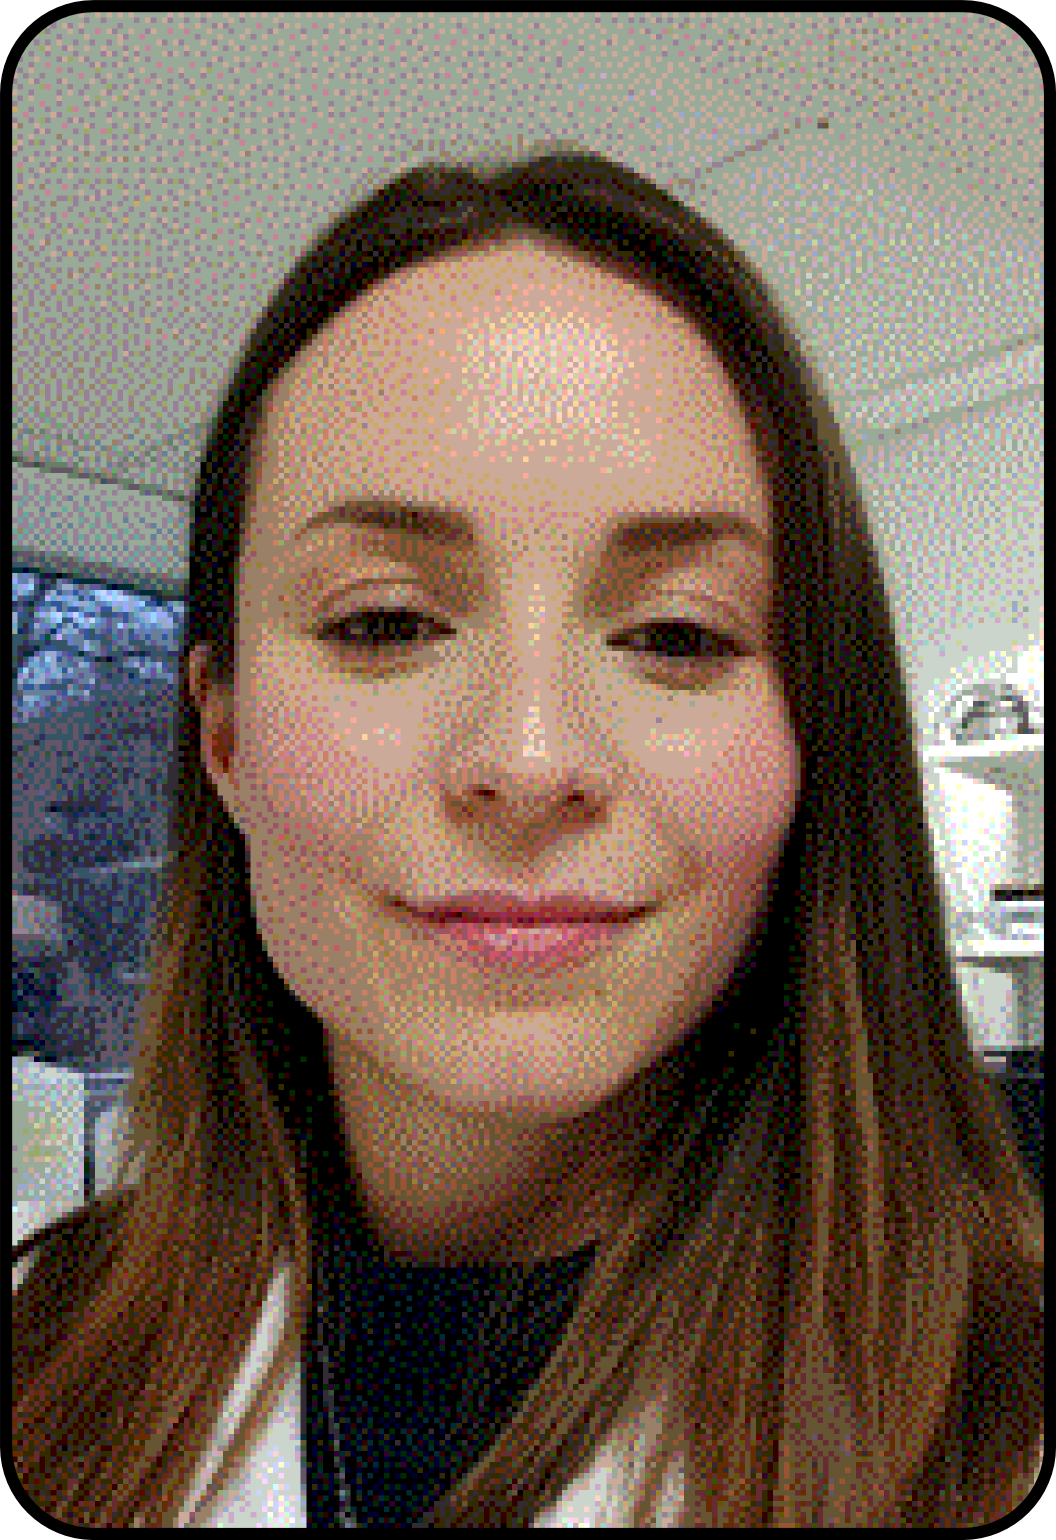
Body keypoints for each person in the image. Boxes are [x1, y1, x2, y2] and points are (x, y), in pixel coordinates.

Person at [12, 145, 1043, 1527]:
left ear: (815, 737)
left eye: (675, 635)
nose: (532, 761)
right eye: (385, 621)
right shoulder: (42, 1361)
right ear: (224, 736)